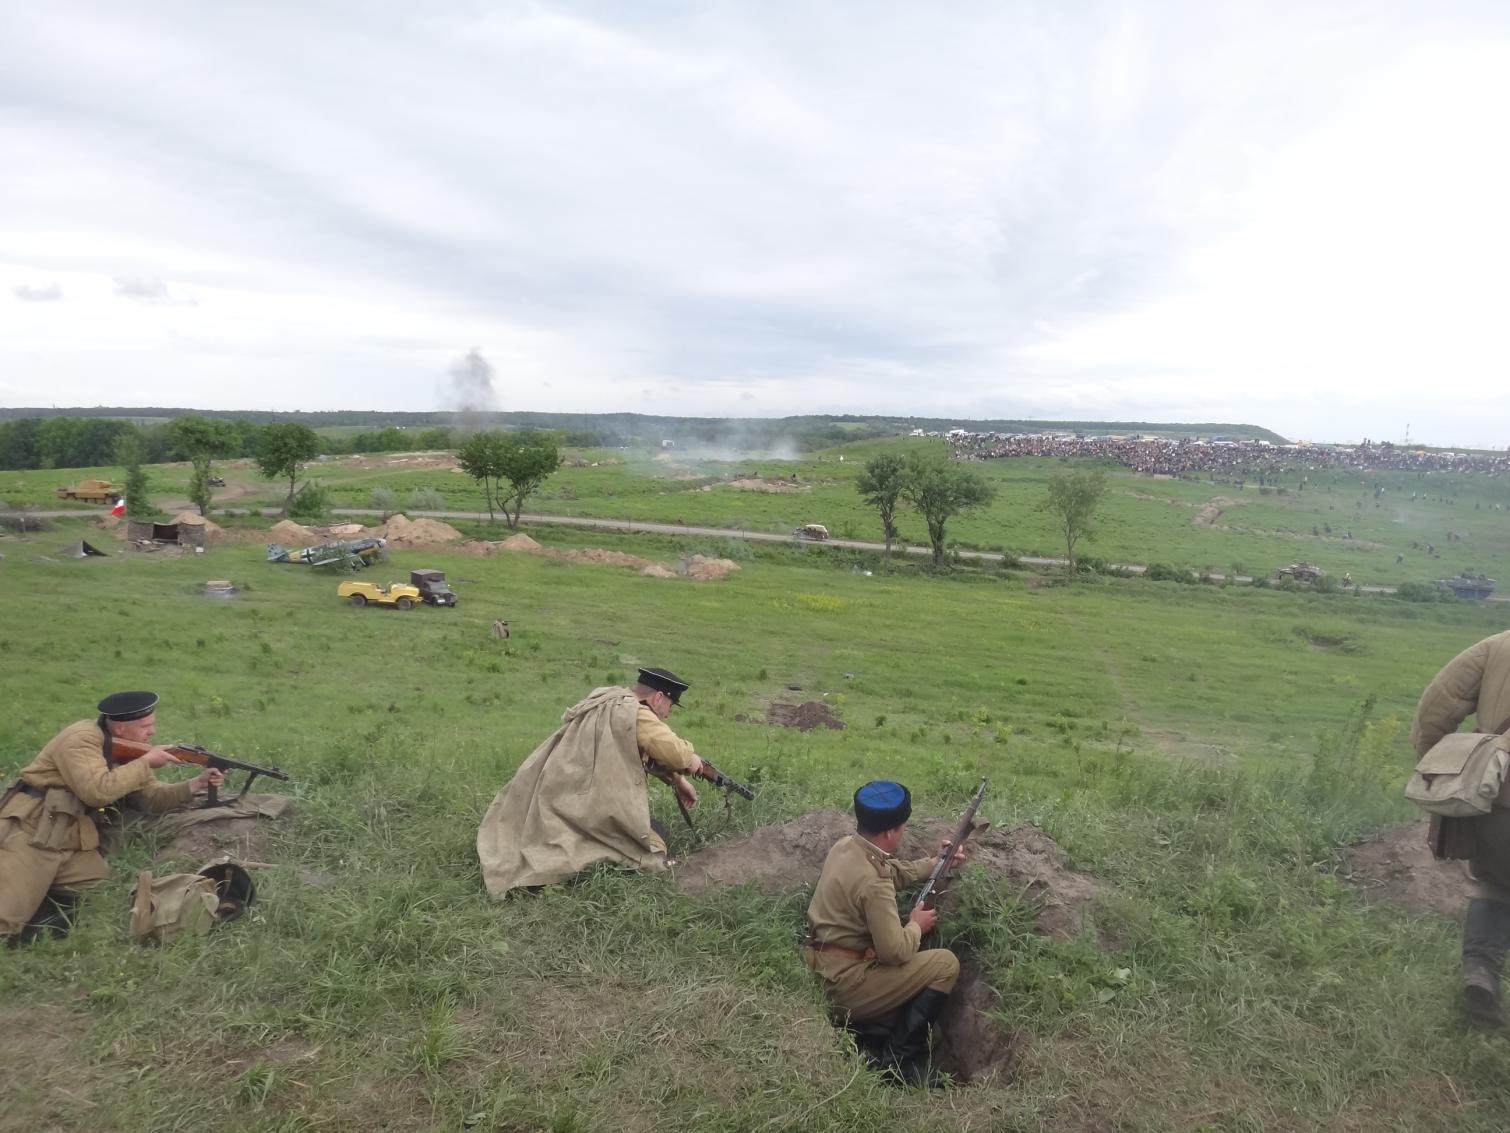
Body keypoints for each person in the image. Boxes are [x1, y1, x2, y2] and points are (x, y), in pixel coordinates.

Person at [0, 691, 225, 944]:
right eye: (145, 726)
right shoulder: (80, 739)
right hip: (33, 832)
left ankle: (43, 927)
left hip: (73, 840)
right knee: (4, 922)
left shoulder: (128, 749)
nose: (152, 732)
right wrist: (145, 762)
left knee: (102, 897)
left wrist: (196, 784)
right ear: (120, 728)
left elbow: (151, 798)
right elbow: (97, 792)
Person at [477, 666, 719, 895]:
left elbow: (632, 752)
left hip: (561, 795)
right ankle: (562, 873)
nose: (667, 715)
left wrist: (676, 780)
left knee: (650, 827)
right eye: (670, 706)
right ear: (658, 698)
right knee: (649, 842)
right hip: (585, 805)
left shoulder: (607, 702)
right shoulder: (637, 713)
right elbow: (674, 753)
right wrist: (693, 760)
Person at [803, 781, 965, 1085]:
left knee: (926, 1031)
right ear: (890, 832)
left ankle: (870, 1041)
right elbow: (894, 953)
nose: (904, 831)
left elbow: (892, 872)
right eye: (902, 827)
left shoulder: (845, 847)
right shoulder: (874, 883)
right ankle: (899, 1065)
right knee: (945, 964)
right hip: (845, 985)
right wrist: (916, 925)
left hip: (820, 968)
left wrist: (937, 863)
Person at [1411, 630, 1510, 1028]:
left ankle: (1480, 972)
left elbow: (1437, 706)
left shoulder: (1499, 645)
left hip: (1498, 793)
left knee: (1497, 883)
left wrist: (1441, 766)